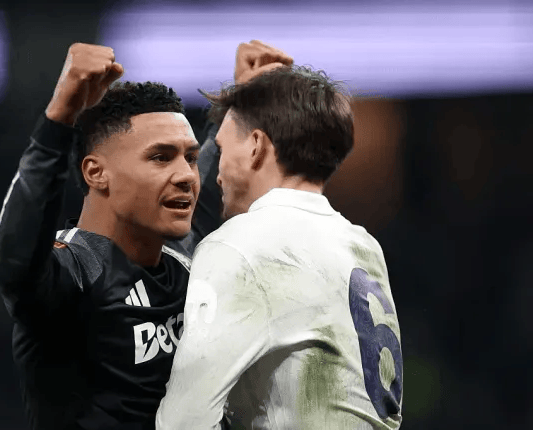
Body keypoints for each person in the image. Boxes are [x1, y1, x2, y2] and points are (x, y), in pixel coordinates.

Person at [0, 41, 291, 430]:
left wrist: (242, 100)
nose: (186, 176)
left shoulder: (180, 257)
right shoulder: (74, 272)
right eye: (160, 157)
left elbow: (208, 182)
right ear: (96, 173)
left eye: (190, 158)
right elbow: (14, 262)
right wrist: (59, 117)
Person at [155, 53, 404, 428]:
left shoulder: (239, 245)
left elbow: (182, 422)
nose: (216, 172)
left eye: (221, 149)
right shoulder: (364, 245)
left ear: (255, 146)